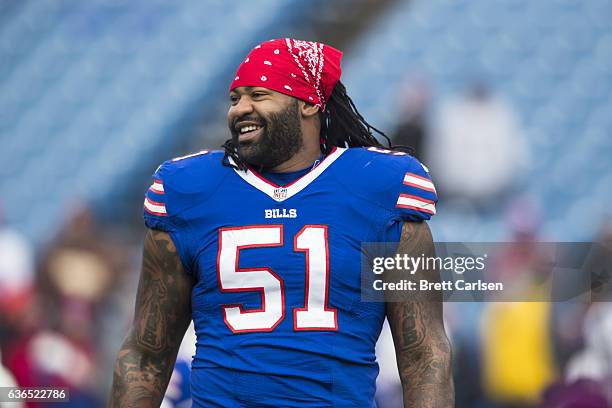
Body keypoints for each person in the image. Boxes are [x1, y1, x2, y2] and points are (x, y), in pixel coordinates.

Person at [110, 38, 453, 407]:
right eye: (235, 98)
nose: (240, 109)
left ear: (308, 102)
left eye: (258, 94)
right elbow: (146, 355)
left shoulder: (378, 189)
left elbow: (424, 354)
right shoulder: (190, 190)